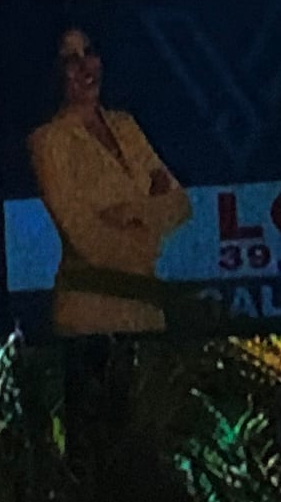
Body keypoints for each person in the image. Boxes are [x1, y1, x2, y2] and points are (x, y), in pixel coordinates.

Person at [26, 21, 193, 336]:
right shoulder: (49, 142)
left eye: (88, 52)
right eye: (70, 59)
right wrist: (152, 210)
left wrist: (131, 214)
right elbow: (87, 239)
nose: (84, 66)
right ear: (55, 71)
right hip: (88, 317)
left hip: (148, 313)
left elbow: (181, 205)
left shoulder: (125, 125)